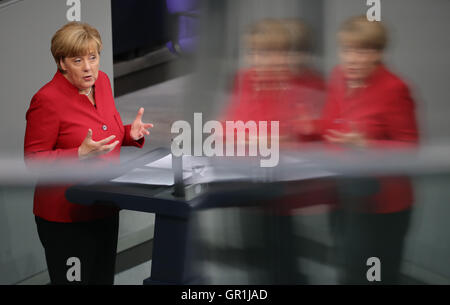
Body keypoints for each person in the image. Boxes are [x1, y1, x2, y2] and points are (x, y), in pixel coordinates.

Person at [24, 22, 153, 284]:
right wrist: (78, 155)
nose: (88, 67)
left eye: (93, 58)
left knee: (103, 279)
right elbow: (33, 160)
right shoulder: (46, 100)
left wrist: (130, 134)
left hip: (104, 207)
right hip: (67, 218)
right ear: (62, 63)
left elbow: (105, 134)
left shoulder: (102, 82)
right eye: (77, 59)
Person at [321, 16, 419, 284]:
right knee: (348, 269)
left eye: (362, 50)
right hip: (345, 195)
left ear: (378, 53)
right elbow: (329, 126)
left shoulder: (394, 88)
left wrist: (366, 145)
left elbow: (410, 149)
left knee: (374, 277)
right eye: (346, 50)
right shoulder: (338, 77)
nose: (351, 58)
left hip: (383, 206)